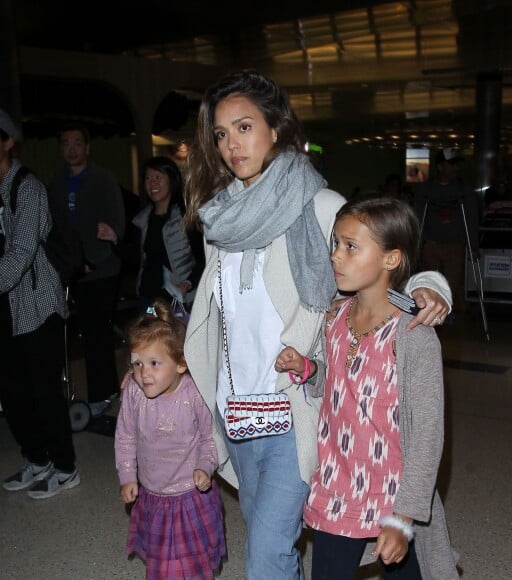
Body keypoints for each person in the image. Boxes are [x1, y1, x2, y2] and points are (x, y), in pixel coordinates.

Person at [181, 70, 452, 579]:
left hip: (297, 410)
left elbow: (379, 245)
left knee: (263, 556)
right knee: (277, 551)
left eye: (244, 127)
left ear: (276, 129)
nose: (232, 145)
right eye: (220, 134)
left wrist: (430, 287)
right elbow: (220, 318)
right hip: (237, 410)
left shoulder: (317, 204)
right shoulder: (219, 222)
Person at [276, 196, 459, 579]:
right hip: (336, 485)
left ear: (391, 259)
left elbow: (427, 436)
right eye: (336, 245)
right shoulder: (336, 316)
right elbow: (341, 387)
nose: (336, 257)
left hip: (391, 491)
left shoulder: (413, 337)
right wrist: (310, 370)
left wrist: (404, 517)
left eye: (351, 247)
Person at [114, 298, 226, 579]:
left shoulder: (193, 394)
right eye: (137, 363)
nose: (144, 374)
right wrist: (127, 476)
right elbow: (125, 435)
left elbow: (209, 438)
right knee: (164, 560)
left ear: (180, 364)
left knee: (191, 563)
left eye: (154, 363)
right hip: (153, 494)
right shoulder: (134, 393)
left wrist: (205, 466)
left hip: (189, 495)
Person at [0, 108, 79, 499]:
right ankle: (37, 458)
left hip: (37, 303)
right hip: (5, 309)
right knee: (12, 393)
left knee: (45, 390)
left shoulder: (27, 188)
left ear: (8, 141)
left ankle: (65, 467)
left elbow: (21, 252)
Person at [47, 122, 126, 417]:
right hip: (72, 269)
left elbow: (116, 223)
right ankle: (94, 392)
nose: (71, 149)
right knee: (79, 333)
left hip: (102, 269)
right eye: (66, 143)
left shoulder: (103, 179)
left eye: (77, 143)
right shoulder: (55, 184)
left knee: (97, 333)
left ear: (87, 147)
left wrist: (103, 247)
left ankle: (102, 393)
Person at [132, 156, 204, 313]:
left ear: (172, 180)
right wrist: (115, 240)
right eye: (148, 178)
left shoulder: (187, 218)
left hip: (179, 300)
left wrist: (188, 283)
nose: (152, 183)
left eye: (158, 177)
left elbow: (203, 258)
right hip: (148, 299)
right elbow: (136, 260)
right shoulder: (141, 219)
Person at [413, 147, 480, 313]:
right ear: (440, 166)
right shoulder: (426, 189)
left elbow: (471, 218)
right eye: (451, 164)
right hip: (431, 244)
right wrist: (416, 245)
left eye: (457, 165)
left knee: (452, 284)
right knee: (428, 282)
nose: (456, 168)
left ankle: (448, 317)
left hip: (454, 244)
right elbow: (417, 217)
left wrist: (473, 246)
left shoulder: (464, 189)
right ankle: (429, 314)